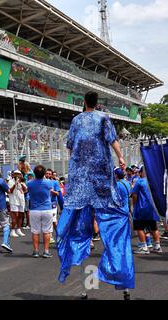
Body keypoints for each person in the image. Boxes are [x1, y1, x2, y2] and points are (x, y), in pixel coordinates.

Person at [56, 91, 134, 299]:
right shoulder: (103, 118)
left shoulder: (76, 120)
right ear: (97, 103)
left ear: (84, 103)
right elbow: (112, 140)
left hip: (80, 181)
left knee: (80, 228)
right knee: (117, 222)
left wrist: (75, 169)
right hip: (101, 179)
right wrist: (121, 157)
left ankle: (85, 288)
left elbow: (70, 147)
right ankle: (123, 282)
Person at [131, 166, 162, 254]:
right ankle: (157, 246)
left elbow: (134, 195)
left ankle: (144, 247)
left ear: (141, 173)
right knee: (153, 227)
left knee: (139, 227)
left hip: (141, 208)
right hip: (151, 208)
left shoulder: (139, 181)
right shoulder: (153, 181)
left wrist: (134, 205)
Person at [27, 165, 56, 258]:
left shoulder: (29, 183)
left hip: (34, 209)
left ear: (34, 173)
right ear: (44, 173)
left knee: (35, 231)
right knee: (47, 231)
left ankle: (35, 251)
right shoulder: (49, 183)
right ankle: (46, 251)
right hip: (47, 209)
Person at [8, 170, 27, 238]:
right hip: (13, 201)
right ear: (13, 175)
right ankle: (12, 230)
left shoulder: (22, 182)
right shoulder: (10, 181)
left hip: (21, 200)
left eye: (19, 174)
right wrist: (15, 184)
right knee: (15, 215)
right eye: (16, 174)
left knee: (21, 215)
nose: (17, 176)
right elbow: (10, 191)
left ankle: (18, 229)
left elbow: (25, 190)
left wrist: (21, 183)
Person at [44, 168, 60, 244]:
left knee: (54, 221)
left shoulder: (55, 182)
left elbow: (58, 193)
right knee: (47, 221)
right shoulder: (42, 182)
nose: (48, 175)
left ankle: (59, 235)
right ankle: (50, 236)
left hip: (53, 203)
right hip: (44, 204)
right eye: (46, 173)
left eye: (49, 174)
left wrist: (51, 191)